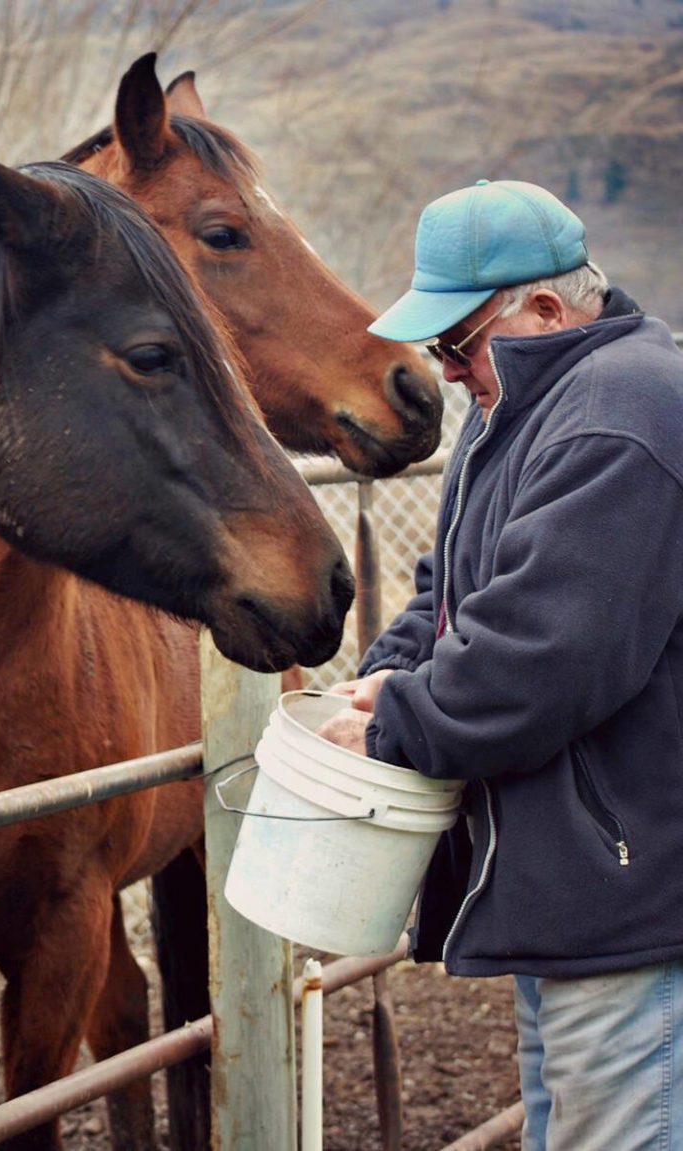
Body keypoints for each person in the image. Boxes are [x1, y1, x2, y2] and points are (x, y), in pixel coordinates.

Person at [318, 178, 683, 1149]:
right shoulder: (522, 402)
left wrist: (397, 720)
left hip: (627, 890)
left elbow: (542, 655)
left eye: (455, 343)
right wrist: (388, 669)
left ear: (548, 310)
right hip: (572, 875)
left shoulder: (621, 416)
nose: (445, 371)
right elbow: (458, 582)